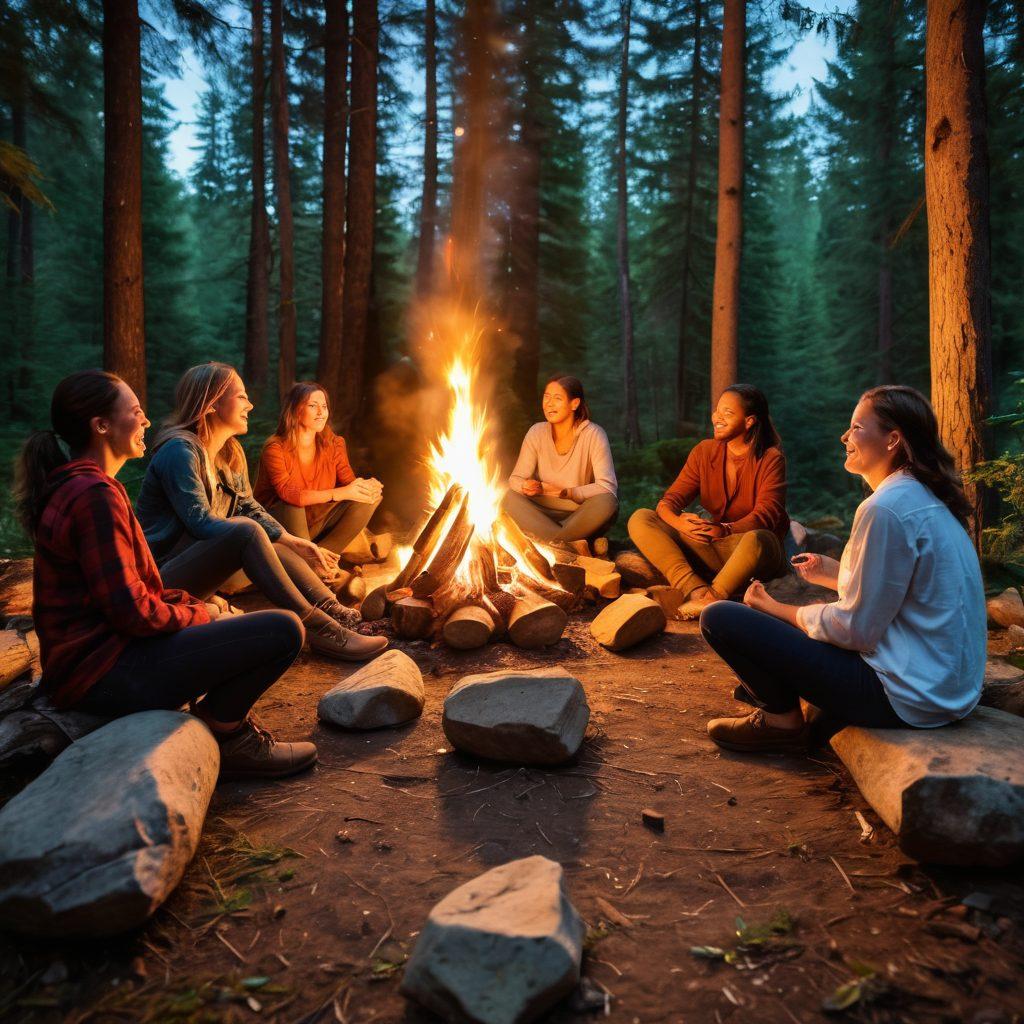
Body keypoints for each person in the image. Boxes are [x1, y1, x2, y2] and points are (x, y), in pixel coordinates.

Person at [16, 369, 316, 779]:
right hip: (101, 676)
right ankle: (228, 736)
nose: (146, 421)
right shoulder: (93, 497)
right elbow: (133, 613)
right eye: (136, 412)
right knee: (283, 631)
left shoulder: (84, 487)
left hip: (92, 665)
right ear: (101, 426)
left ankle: (219, 723)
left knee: (238, 620)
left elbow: (135, 594)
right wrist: (202, 614)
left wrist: (195, 605)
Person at [700, 385, 986, 754]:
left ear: (892, 440)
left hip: (904, 696)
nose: (844, 436)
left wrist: (777, 610)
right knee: (791, 635)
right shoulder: (923, 498)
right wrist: (836, 575)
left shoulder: (885, 508)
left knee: (721, 617)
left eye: (856, 427)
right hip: (945, 690)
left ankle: (781, 722)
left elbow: (856, 630)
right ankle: (790, 698)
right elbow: (904, 591)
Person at [136, 362, 387, 662]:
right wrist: (253, 534)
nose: (250, 405)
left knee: (265, 535)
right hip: (162, 578)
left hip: (206, 567)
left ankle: (331, 609)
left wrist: (293, 541)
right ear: (212, 403)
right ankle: (322, 629)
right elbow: (200, 523)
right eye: (241, 396)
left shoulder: (230, 452)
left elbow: (248, 506)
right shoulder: (180, 451)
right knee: (247, 531)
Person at [628, 384, 788, 618]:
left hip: (750, 551)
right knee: (642, 518)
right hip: (712, 547)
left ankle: (714, 596)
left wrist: (726, 529)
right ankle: (694, 589)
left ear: (749, 421)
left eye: (728, 413)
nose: (717, 418)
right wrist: (680, 523)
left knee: (759, 538)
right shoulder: (705, 451)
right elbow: (668, 501)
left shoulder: (771, 458)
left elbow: (767, 514)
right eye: (717, 411)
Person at [254, 381, 383, 556]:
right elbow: (290, 494)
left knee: (367, 499)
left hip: (315, 522)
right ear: (296, 411)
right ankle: (307, 561)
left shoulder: (333, 443)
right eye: (313, 406)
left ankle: (323, 558)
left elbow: (349, 483)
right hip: (278, 527)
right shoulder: (275, 448)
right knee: (293, 506)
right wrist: (340, 493)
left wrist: (367, 487)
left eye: (324, 406)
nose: (321, 412)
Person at [501, 375, 618, 555]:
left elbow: (607, 486)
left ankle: (553, 544)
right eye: (546, 397)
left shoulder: (593, 434)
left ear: (574, 403)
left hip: (578, 514)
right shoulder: (536, 432)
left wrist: (568, 492)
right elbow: (515, 479)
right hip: (541, 513)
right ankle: (568, 544)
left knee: (607, 502)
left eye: (557, 398)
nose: (549, 403)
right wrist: (525, 485)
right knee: (508, 497)